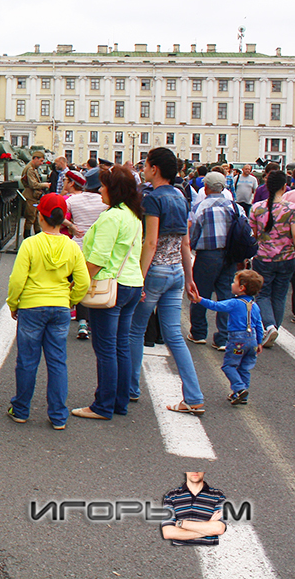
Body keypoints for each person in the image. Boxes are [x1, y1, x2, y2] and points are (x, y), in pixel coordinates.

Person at [126, 147, 205, 415]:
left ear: (155, 169)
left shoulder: (152, 199)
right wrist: (190, 278)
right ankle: (193, 395)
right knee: (174, 335)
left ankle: (131, 387)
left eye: (146, 165)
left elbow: (150, 242)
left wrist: (139, 278)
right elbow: (185, 243)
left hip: (155, 271)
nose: (143, 169)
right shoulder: (181, 197)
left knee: (136, 330)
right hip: (176, 272)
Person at [6, 194, 89, 429]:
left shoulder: (30, 244)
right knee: (57, 362)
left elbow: (17, 280)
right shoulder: (71, 246)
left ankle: (20, 410)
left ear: (41, 217)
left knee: (27, 361)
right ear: (63, 219)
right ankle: (58, 415)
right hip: (60, 307)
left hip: (31, 307)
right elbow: (83, 281)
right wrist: (70, 300)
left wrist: (14, 303)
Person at [70, 165, 144, 421]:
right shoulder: (133, 215)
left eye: (103, 186)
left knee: (105, 348)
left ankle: (102, 405)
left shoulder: (111, 217)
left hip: (110, 285)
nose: (100, 190)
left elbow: (97, 259)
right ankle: (119, 401)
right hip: (132, 283)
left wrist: (77, 285)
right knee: (121, 346)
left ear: (115, 190)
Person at [189, 269, 264, 405]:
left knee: (229, 366)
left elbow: (216, 306)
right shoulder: (255, 306)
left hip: (237, 340)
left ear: (241, 288)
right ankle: (242, 394)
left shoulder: (234, 303)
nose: (231, 284)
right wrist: (259, 342)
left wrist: (199, 299)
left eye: (234, 282)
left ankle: (239, 389)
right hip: (252, 340)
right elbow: (259, 325)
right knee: (244, 368)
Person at [188, 172, 237, 350]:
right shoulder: (234, 207)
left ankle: (199, 332)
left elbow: (193, 234)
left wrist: (192, 247)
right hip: (229, 254)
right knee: (225, 293)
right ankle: (223, 337)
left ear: (206, 187)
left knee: (201, 292)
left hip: (207, 254)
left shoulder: (201, 207)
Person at [248, 170, 295, 348]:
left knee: (263, 294)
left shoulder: (257, 208)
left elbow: (253, 234)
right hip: (287, 257)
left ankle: (269, 326)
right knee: (280, 295)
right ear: (284, 187)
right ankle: (274, 328)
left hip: (263, 257)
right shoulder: (291, 209)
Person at [62, 168, 107, 340]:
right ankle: (93, 322)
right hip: (97, 246)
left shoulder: (74, 199)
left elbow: (57, 214)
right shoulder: (105, 202)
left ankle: (80, 321)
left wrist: (71, 226)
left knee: (78, 282)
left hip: (77, 245)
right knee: (95, 284)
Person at [161, 472, 226, 545]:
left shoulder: (218, 495)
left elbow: (219, 529)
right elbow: (168, 533)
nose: (195, 471)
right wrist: (208, 529)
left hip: (209, 549)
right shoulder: (171, 496)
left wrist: (181, 523)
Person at [20, 151, 51, 238]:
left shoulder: (32, 168)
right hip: (30, 196)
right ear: (35, 158)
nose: (41, 163)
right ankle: (27, 236)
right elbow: (33, 184)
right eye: (41, 161)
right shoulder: (30, 169)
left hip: (34, 196)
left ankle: (37, 234)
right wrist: (45, 185)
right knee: (31, 217)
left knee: (36, 217)